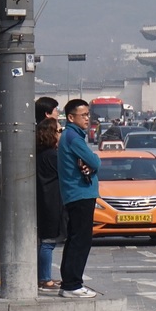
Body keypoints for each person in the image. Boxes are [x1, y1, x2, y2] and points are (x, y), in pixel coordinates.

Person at [58, 98, 102, 298]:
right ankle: (72, 285)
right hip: (80, 193)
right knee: (80, 240)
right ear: (70, 117)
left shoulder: (71, 136)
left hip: (75, 193)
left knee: (75, 239)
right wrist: (91, 163)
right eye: (83, 115)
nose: (87, 118)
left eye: (88, 114)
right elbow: (95, 161)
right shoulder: (73, 137)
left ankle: (69, 282)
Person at [36, 117, 67, 292]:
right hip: (51, 202)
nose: (60, 133)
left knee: (46, 242)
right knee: (47, 242)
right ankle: (44, 279)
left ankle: (44, 277)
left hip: (46, 201)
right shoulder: (52, 156)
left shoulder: (43, 154)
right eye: (58, 130)